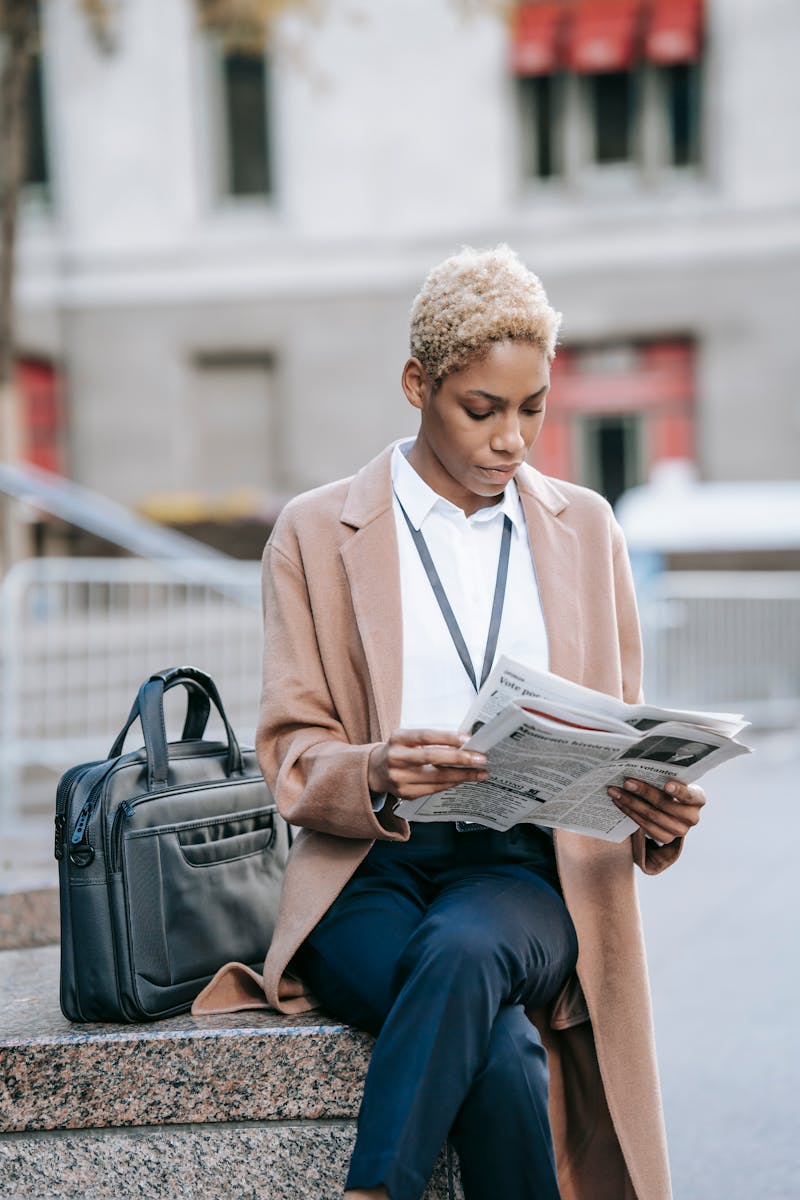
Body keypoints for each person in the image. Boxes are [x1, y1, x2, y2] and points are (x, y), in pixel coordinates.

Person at [193, 245, 706, 1200]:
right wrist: (379, 769)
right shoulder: (313, 532)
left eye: (533, 408)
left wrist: (654, 810)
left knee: (469, 951)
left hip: (525, 874)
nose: (513, 439)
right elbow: (291, 754)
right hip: (369, 871)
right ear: (417, 385)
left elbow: (619, 732)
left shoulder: (587, 528)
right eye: (483, 409)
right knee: (502, 1046)